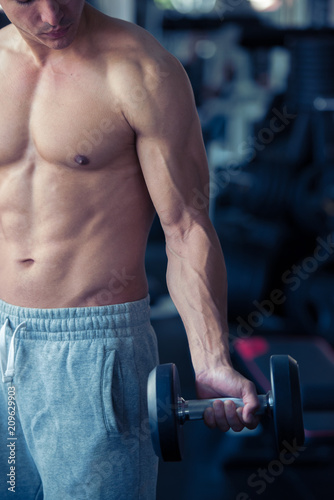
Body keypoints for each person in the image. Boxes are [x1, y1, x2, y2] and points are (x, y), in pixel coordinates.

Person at [0, 1, 259, 498]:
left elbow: (186, 226)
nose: (53, 15)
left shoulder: (141, 70)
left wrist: (210, 362)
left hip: (93, 348)